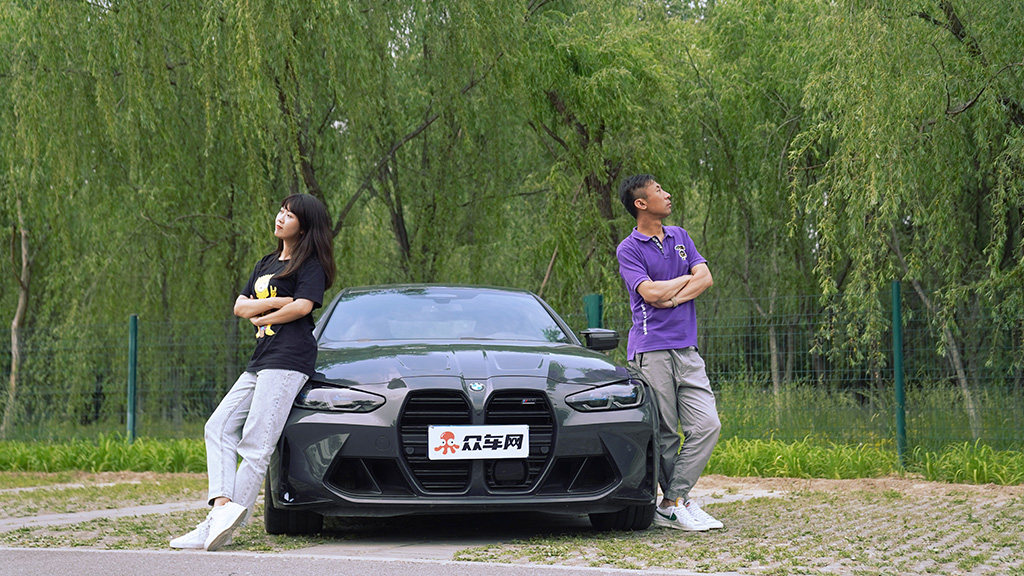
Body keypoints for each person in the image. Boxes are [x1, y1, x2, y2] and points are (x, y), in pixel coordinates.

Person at [170, 193, 336, 551]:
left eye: (290, 215)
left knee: (256, 443)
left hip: (289, 357)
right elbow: (239, 306)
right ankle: (221, 511)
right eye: (281, 211)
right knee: (218, 426)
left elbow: (302, 307)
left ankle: (220, 527)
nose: (281, 217)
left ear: (304, 227)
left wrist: (263, 316)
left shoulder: (310, 265)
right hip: (262, 356)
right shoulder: (265, 262)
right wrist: (277, 302)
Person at [615, 174, 723, 532]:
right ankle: (678, 504)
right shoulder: (629, 248)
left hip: (686, 348)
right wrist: (684, 281)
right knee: (665, 434)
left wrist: (672, 296)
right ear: (641, 203)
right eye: (659, 190)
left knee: (707, 425)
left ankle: (673, 500)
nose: (668, 194)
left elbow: (705, 278)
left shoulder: (681, 237)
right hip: (651, 350)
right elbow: (648, 293)